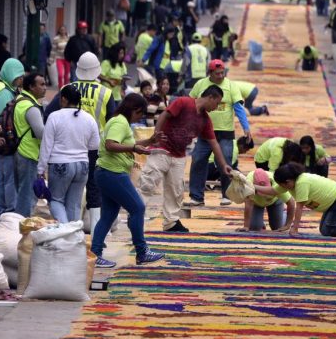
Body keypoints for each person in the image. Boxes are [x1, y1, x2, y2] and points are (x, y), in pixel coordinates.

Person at [142, 85, 232, 233]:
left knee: (176, 190)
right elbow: (165, 114)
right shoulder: (184, 102)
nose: (216, 108)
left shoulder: (205, 120)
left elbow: (214, 142)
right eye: (217, 103)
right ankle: (136, 215)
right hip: (161, 149)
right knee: (148, 182)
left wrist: (223, 165)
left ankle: (171, 222)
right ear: (211, 97)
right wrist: (156, 135)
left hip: (178, 155)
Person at [90, 94, 165, 268]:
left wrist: (148, 141)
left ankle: (95, 254)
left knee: (108, 215)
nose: (140, 118)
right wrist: (133, 148)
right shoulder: (120, 122)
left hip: (107, 173)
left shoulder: (121, 122)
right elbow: (110, 144)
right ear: (134, 110)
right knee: (137, 207)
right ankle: (142, 251)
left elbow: (126, 142)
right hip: (112, 173)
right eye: (140, 114)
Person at [186, 59, 251, 207]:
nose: (221, 76)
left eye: (222, 73)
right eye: (217, 74)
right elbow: (191, 104)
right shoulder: (201, 85)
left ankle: (226, 195)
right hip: (204, 131)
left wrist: (245, 127)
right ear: (210, 73)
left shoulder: (231, 86)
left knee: (226, 162)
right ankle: (196, 196)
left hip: (225, 132)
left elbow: (239, 108)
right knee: (198, 160)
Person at [38, 85, 100, 223]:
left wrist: (41, 169)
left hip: (60, 163)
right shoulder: (89, 118)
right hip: (83, 165)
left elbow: (46, 145)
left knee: (56, 200)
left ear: (64, 99)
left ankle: (65, 230)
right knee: (74, 204)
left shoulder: (54, 117)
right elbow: (94, 145)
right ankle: (73, 237)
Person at [274, 162, 336, 238]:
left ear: (288, 181)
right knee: (324, 230)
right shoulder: (292, 183)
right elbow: (272, 190)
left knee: (329, 230)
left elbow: (299, 207)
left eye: (282, 185)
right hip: (334, 201)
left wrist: (294, 228)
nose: (283, 188)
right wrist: (258, 187)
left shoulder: (301, 183)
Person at [0, 57, 24, 218]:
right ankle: (8, 210)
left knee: (3, 175)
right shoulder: (4, 92)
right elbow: (7, 117)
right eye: (18, 76)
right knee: (9, 177)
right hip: (5, 140)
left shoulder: (4, 87)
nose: (20, 79)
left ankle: (1, 210)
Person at [13, 73, 47, 217]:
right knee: (27, 194)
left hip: (21, 151)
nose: (45, 88)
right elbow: (41, 133)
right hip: (28, 152)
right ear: (31, 87)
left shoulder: (20, 100)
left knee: (23, 191)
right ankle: (22, 225)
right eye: (42, 84)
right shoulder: (30, 107)